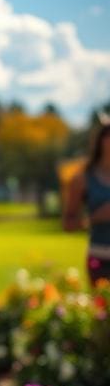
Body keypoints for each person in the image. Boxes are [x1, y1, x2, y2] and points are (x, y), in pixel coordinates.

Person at [62, 119, 110, 285]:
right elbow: (68, 225)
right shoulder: (83, 179)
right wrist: (96, 218)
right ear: (101, 140)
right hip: (100, 261)